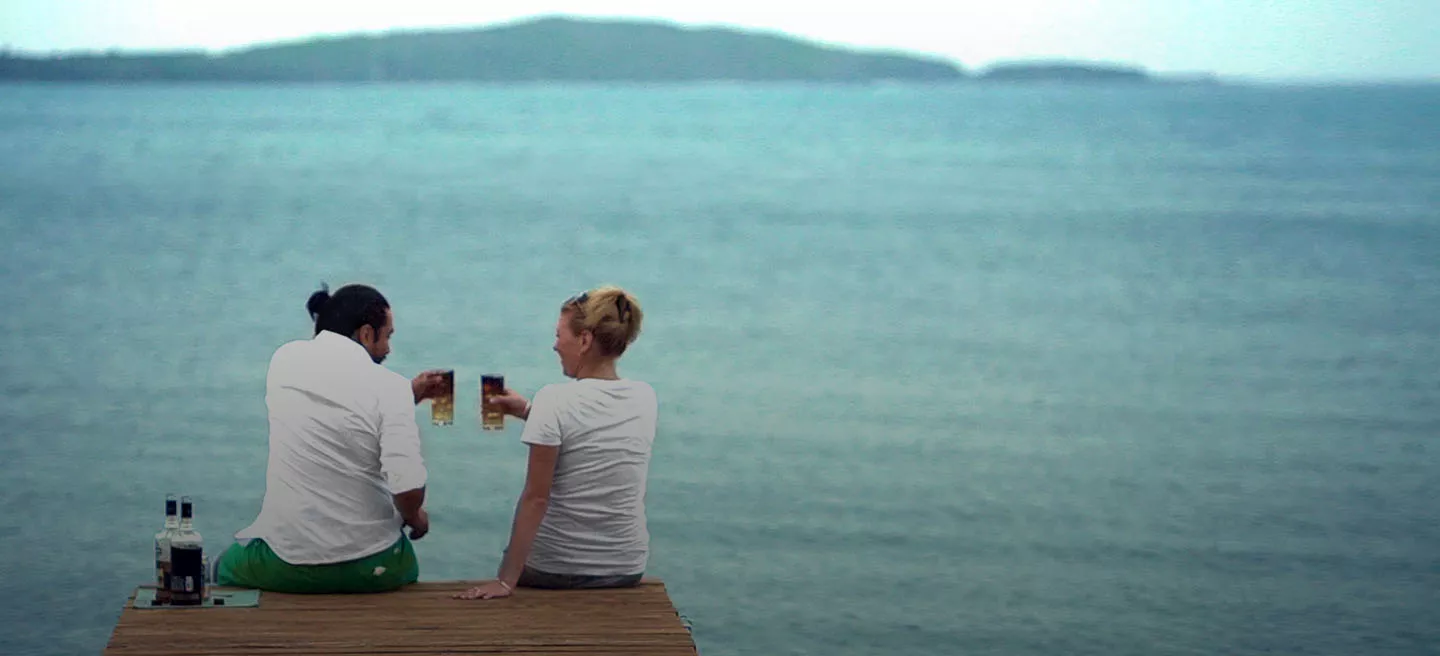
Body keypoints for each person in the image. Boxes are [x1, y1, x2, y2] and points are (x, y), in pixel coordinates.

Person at [213, 283, 450, 594]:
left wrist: (407, 396)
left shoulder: (284, 361)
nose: (389, 349)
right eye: (388, 336)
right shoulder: (390, 388)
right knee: (400, 558)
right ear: (366, 334)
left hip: (286, 564)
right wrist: (417, 519)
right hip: (375, 568)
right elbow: (406, 488)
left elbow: (339, 404)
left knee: (220, 566)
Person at [455, 285, 657, 600]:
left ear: (585, 340)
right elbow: (593, 436)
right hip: (625, 568)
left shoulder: (555, 398)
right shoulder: (645, 397)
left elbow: (537, 498)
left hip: (556, 570)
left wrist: (506, 581)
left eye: (559, 335)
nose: (555, 345)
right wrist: (528, 412)